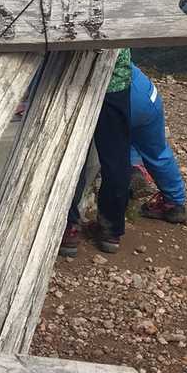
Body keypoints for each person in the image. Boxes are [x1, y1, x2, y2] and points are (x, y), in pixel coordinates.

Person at [60, 48, 134, 258]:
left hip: (74, 78)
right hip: (115, 79)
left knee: (70, 155)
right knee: (116, 158)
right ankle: (111, 230)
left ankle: (68, 227)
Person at [129, 64, 187, 224]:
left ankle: (132, 169)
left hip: (122, 99)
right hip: (147, 94)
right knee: (157, 151)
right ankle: (174, 204)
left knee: (117, 137)